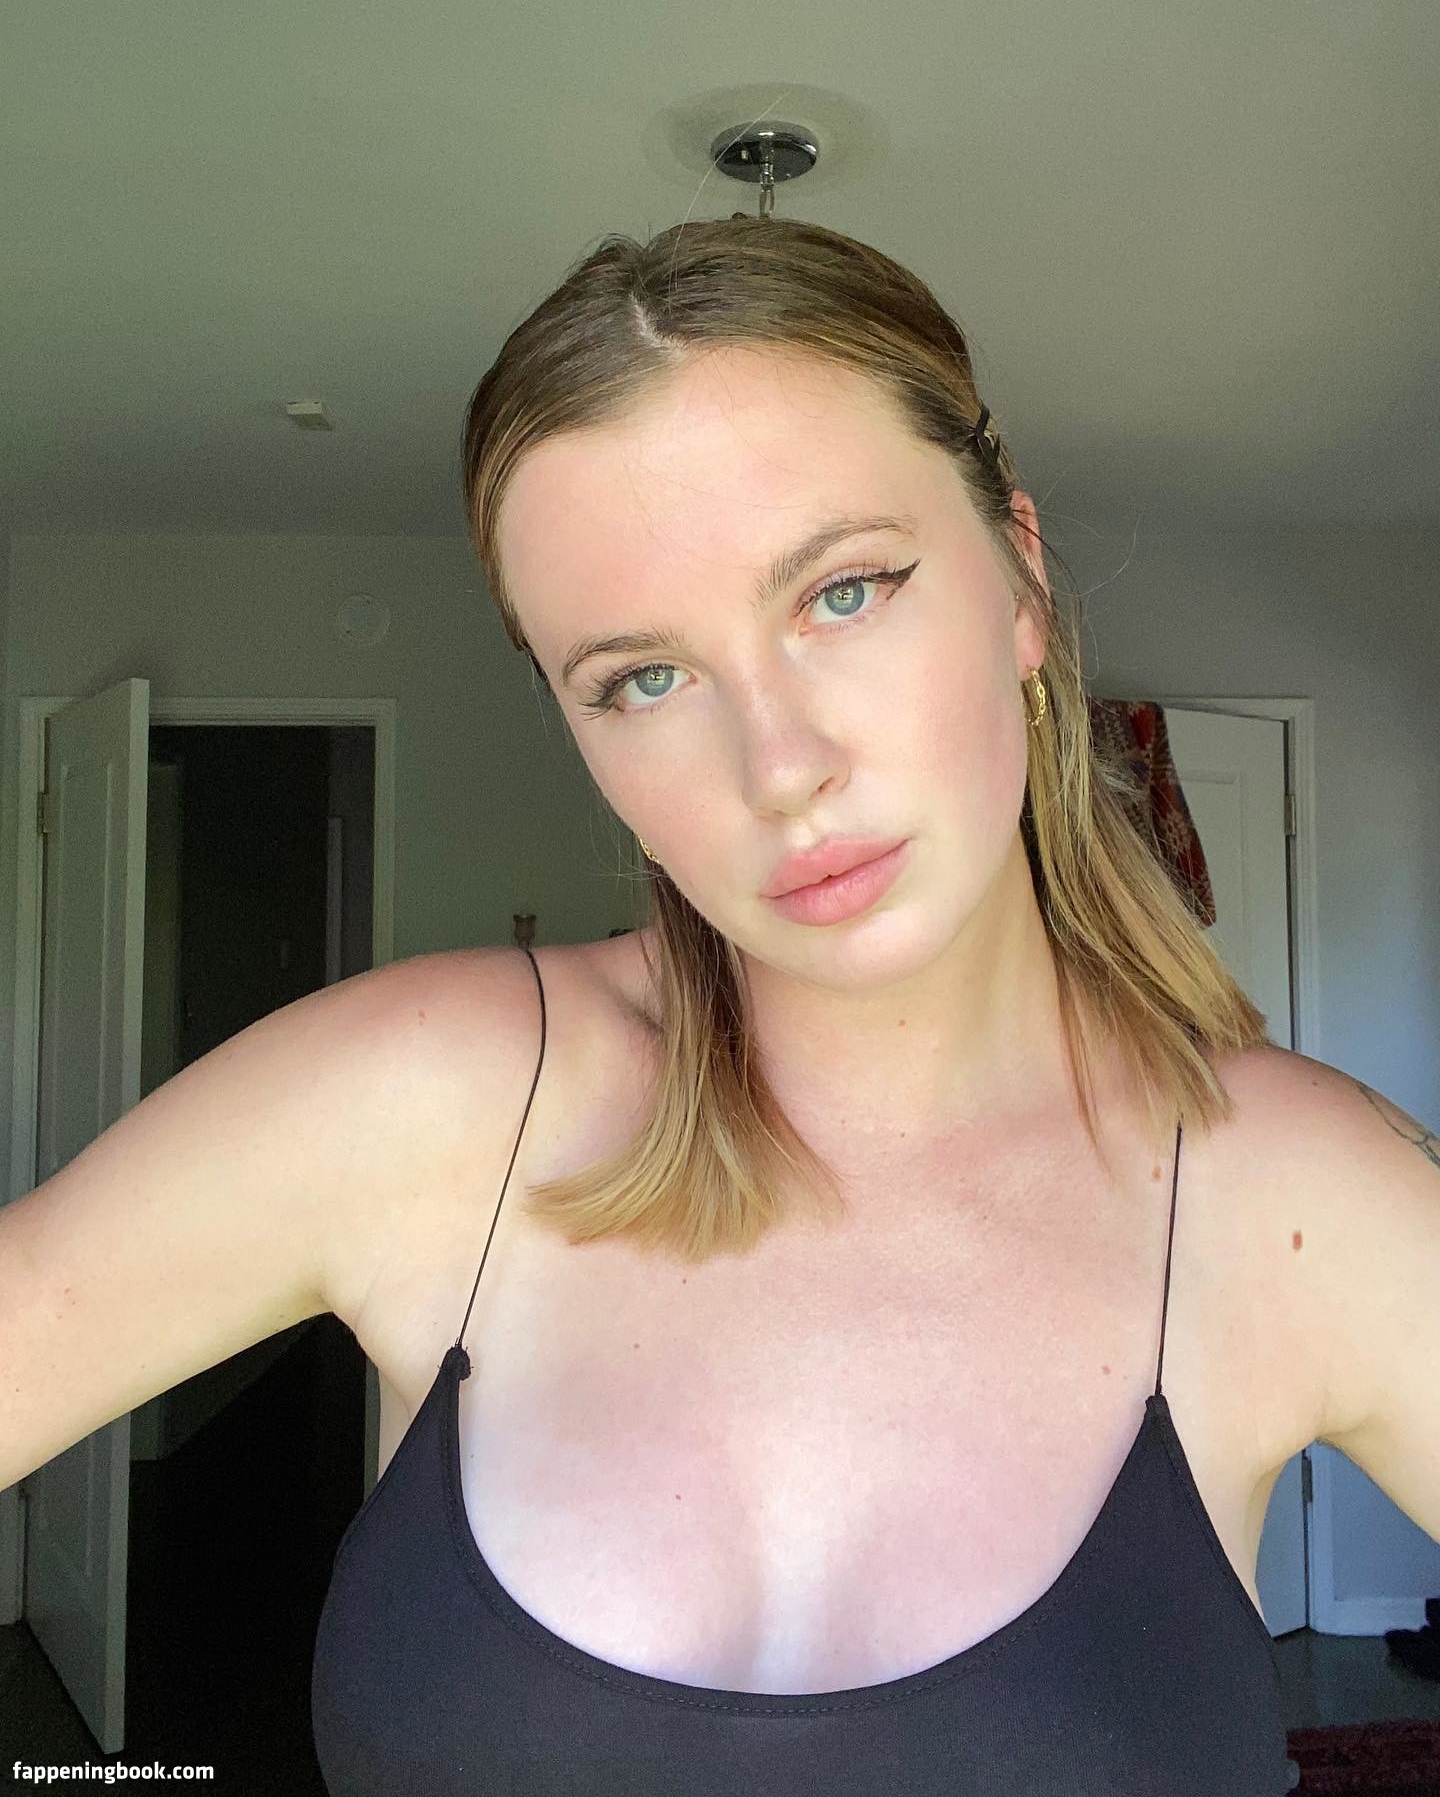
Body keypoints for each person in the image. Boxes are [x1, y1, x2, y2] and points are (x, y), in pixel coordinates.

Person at [4, 217, 1437, 1796]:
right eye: (644, 678)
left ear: (1021, 578)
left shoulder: (1294, 1200)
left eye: (843, 592)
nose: (781, 767)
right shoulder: (429, 1099)